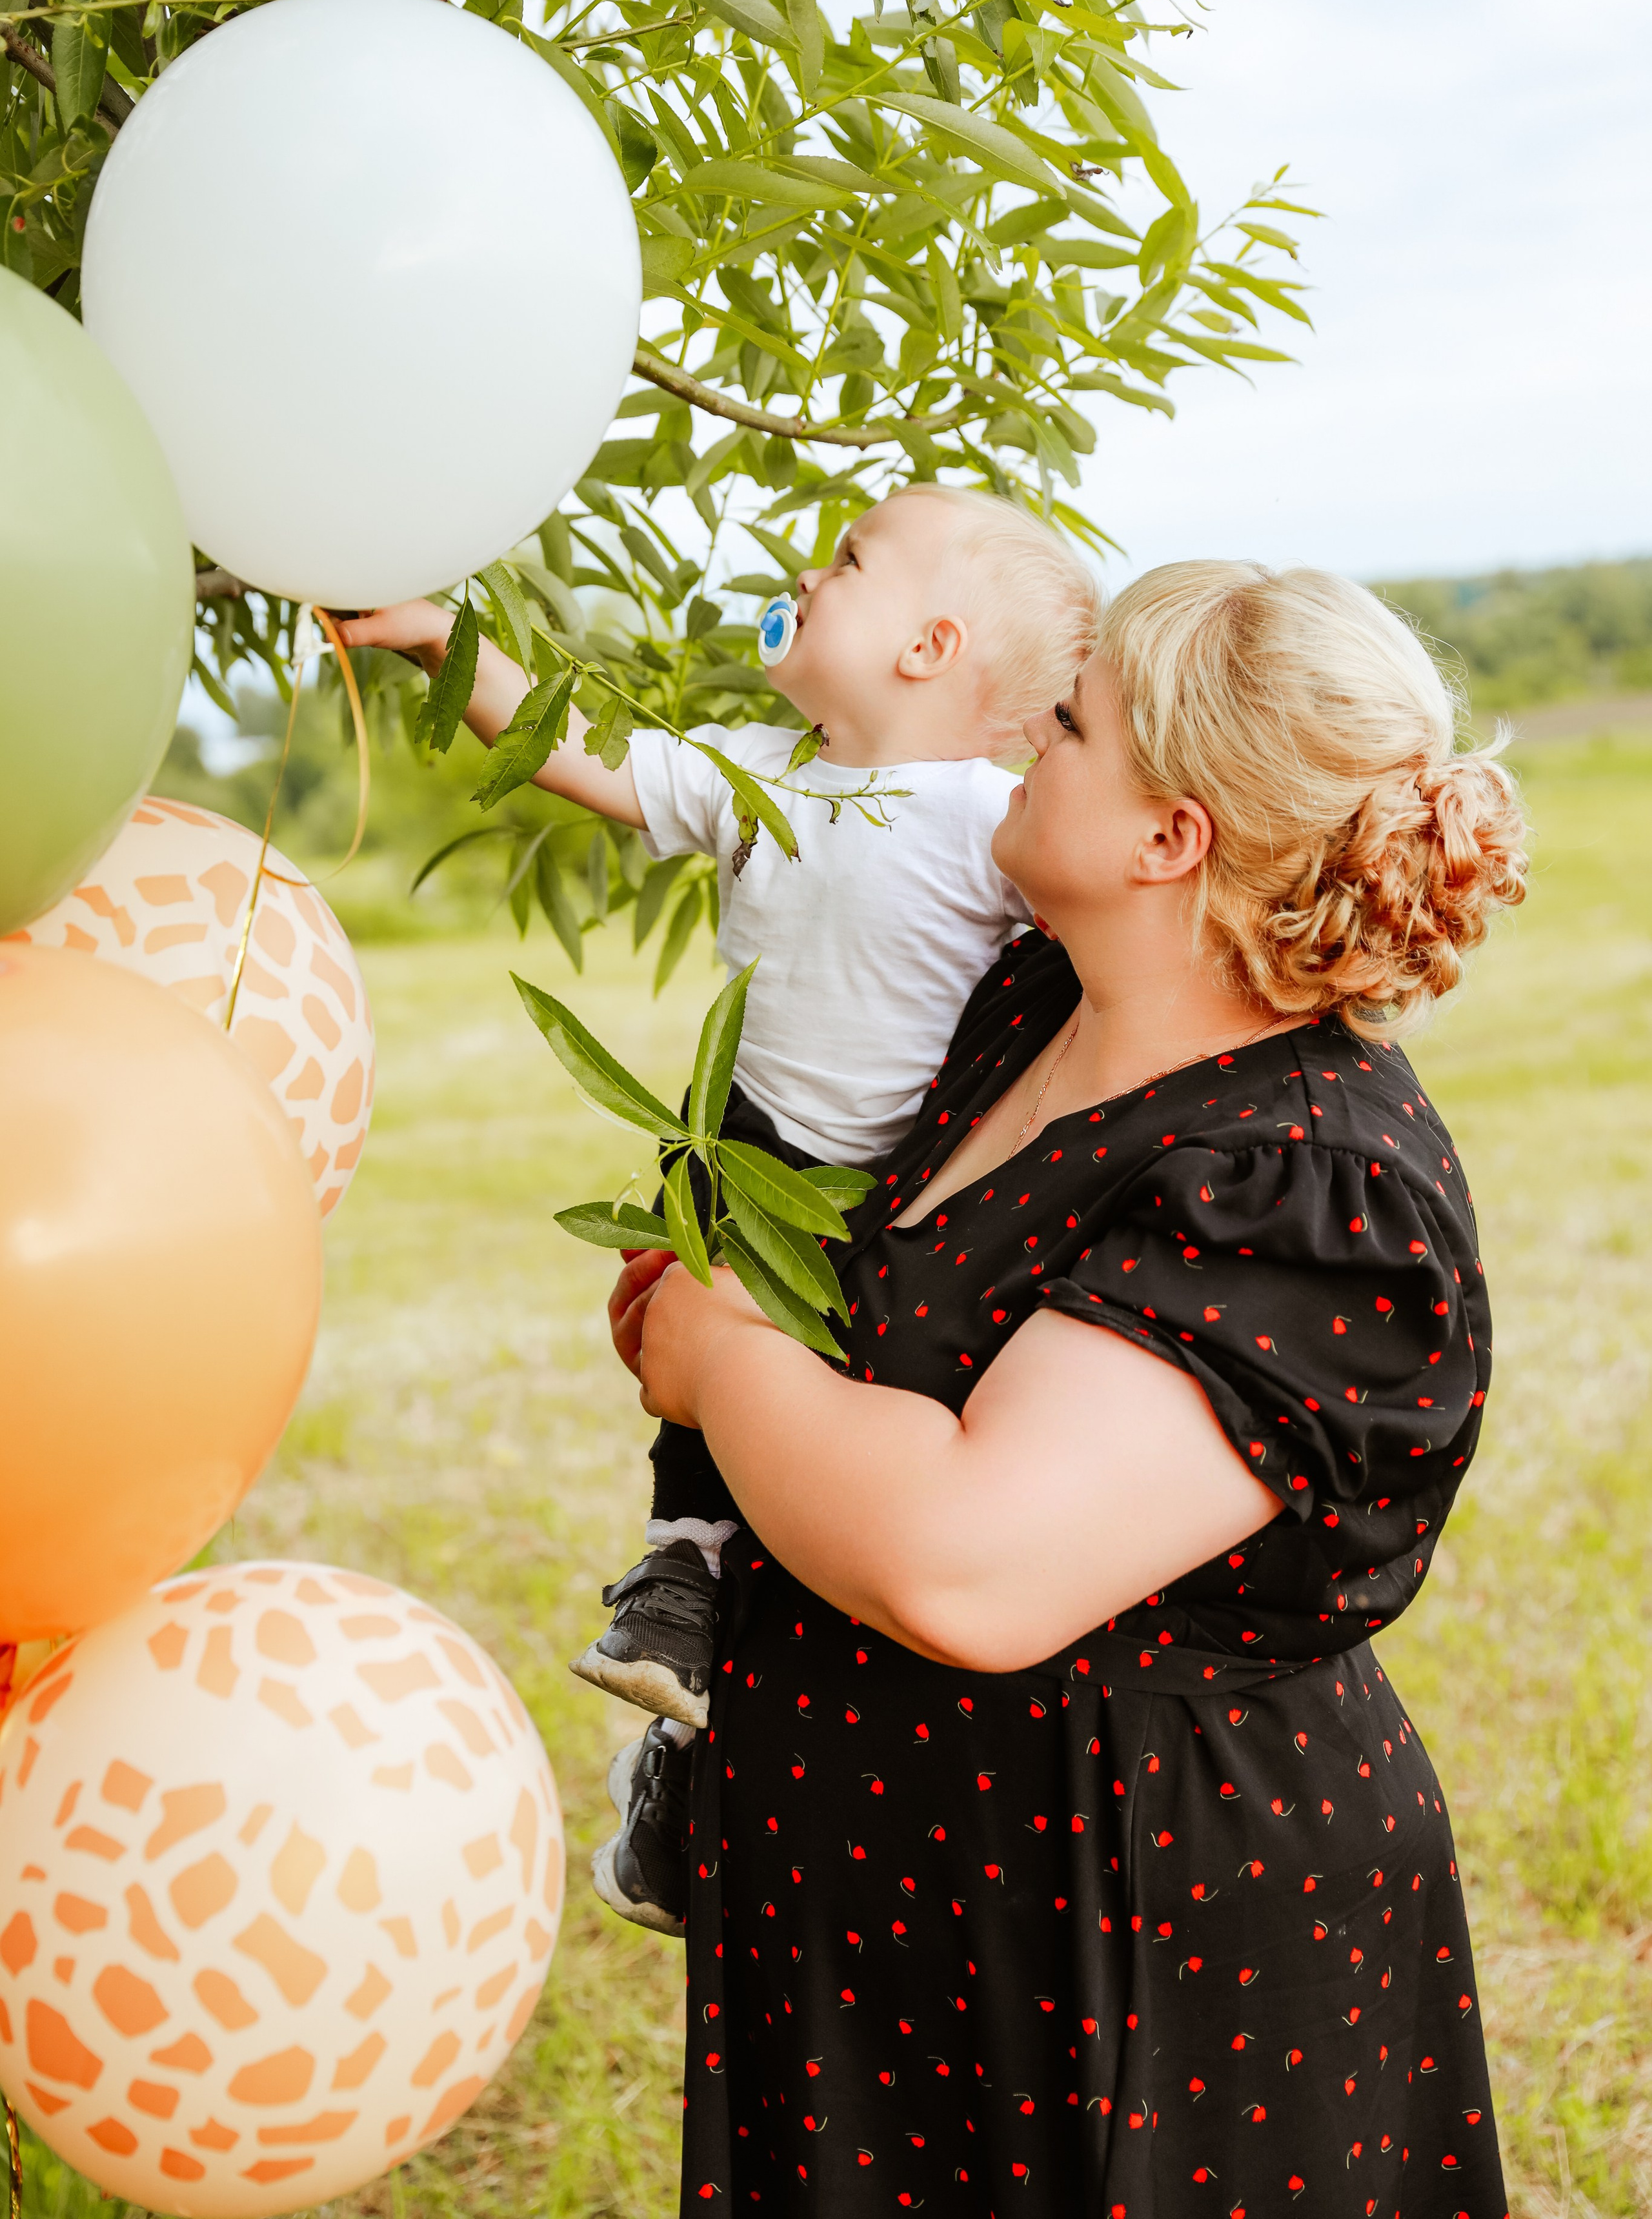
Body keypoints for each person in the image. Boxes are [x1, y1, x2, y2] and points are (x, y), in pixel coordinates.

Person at [610, 556, 1527, 2216]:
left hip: (1132, 1951)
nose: (1028, 731)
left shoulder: (1305, 1177)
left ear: (1166, 838)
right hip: (908, 1923)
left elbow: (967, 1561)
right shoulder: (1031, 999)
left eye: (1073, 724)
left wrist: (713, 1354)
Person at [339, 485, 1101, 1929]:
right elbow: (595, 756)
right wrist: (444, 640)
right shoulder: (761, 771)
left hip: (886, 1192)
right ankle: (676, 1611)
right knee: (698, 1402)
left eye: (849, 560)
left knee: (800, 1477)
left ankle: (705, 1716)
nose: (808, 573)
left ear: (929, 647)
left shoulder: (986, 820)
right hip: (737, 1147)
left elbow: (1094, 923)